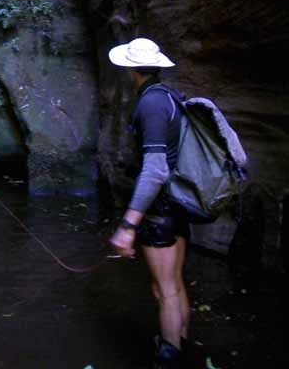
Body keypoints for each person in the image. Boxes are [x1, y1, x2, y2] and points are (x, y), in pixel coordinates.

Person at [108, 38, 190, 369]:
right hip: (177, 203)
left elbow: (155, 169)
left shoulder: (151, 104)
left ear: (132, 70)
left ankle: (169, 355)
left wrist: (128, 225)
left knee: (163, 290)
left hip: (160, 211)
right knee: (175, 284)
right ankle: (179, 343)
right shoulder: (170, 96)